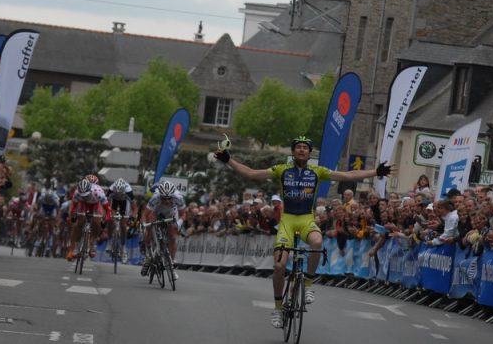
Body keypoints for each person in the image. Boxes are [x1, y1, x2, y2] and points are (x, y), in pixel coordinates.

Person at [213, 135, 396, 329]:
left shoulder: (317, 172)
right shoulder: (281, 170)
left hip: (306, 220)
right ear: (292, 152)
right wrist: (228, 160)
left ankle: (308, 284)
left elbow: (347, 176)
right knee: (278, 266)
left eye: (305, 148)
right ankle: (277, 308)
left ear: (309, 153)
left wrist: (375, 172)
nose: (301, 150)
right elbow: (251, 173)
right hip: (288, 221)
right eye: (298, 147)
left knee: (317, 242)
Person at [140, 181, 187, 280]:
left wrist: (178, 224)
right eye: (164, 198)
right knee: (150, 227)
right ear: (160, 195)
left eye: (169, 198)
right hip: (157, 210)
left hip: (171, 212)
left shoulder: (178, 197)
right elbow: (145, 214)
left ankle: (171, 266)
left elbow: (184, 214)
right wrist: (144, 225)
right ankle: (148, 255)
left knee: (172, 237)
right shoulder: (155, 197)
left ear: (173, 196)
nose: (167, 201)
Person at [66, 178, 112, 260]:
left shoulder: (99, 193)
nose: (85, 197)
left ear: (90, 190)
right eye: (83, 195)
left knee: (97, 222)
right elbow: (73, 207)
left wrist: (105, 220)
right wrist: (73, 217)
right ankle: (77, 247)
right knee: (79, 223)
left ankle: (92, 244)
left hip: (95, 204)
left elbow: (108, 210)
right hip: (83, 204)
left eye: (86, 195)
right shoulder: (77, 193)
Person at [106, 178, 137, 264]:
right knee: (110, 220)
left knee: (123, 225)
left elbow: (134, 209)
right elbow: (106, 204)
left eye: (121, 194)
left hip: (125, 203)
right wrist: (107, 214)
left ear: (124, 191)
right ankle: (109, 241)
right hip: (114, 203)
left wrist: (132, 217)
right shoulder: (111, 189)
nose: (119, 196)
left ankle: (123, 248)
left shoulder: (128, 191)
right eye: (117, 194)